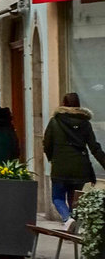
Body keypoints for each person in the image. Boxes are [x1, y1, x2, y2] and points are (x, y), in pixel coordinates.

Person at [43, 92, 105, 229]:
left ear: (63, 104)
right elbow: (94, 147)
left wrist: (53, 158)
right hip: (80, 167)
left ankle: (67, 219)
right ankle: (72, 223)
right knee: (74, 198)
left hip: (60, 166)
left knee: (58, 197)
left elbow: (47, 143)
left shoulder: (55, 122)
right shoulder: (85, 123)